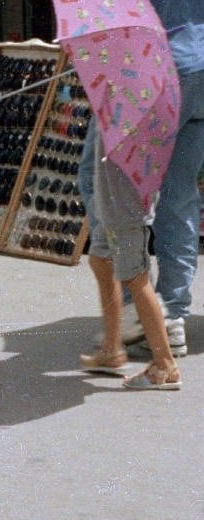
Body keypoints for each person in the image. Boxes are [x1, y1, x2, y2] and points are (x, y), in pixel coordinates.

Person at [96, 0, 204, 369]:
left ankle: (141, 315)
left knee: (117, 191)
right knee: (181, 194)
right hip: (202, 67)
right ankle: (176, 314)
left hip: (150, 74)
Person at [77, 128, 180, 390]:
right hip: (111, 203)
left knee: (135, 276)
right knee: (100, 260)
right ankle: (111, 349)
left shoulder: (132, 114)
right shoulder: (118, 110)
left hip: (125, 207)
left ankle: (165, 365)